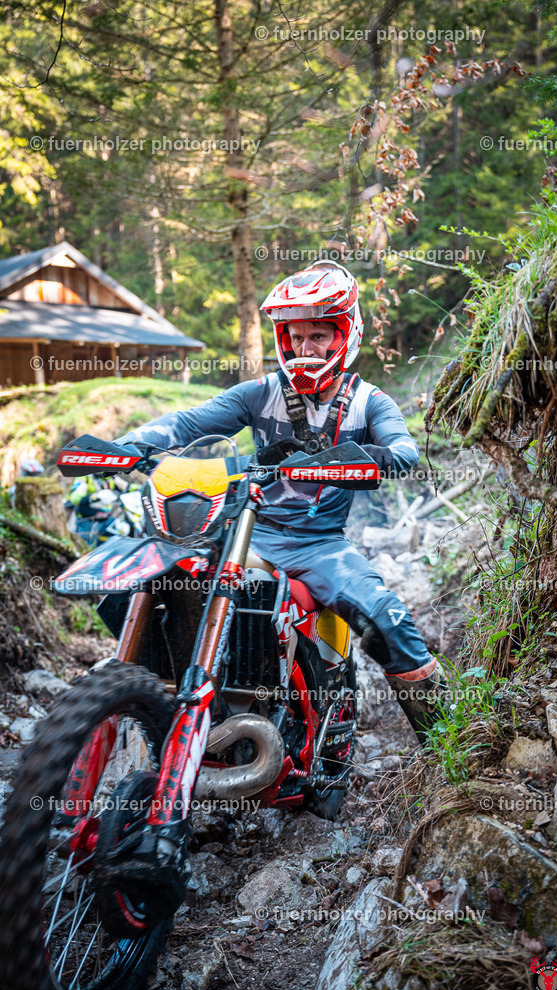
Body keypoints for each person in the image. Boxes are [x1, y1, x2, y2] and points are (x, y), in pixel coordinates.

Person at [117, 260, 442, 739]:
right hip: (248, 533)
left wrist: (361, 457)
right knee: (163, 581)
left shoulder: (369, 401)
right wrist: (129, 445)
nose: (306, 348)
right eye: (296, 336)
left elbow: (403, 452)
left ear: (344, 334)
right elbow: (188, 423)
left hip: (320, 546)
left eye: (319, 335)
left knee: (386, 618)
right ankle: (170, 707)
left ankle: (449, 746)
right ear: (282, 339)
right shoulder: (260, 393)